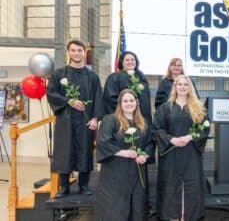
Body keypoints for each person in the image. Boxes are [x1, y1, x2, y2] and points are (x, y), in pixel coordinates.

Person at [46, 39, 104, 198]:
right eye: (73, 50)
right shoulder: (59, 74)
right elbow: (51, 94)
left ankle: (83, 185)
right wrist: (69, 101)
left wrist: (95, 118)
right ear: (68, 52)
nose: (76, 53)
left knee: (85, 151)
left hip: (85, 122)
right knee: (65, 151)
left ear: (84, 53)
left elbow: (98, 97)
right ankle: (64, 187)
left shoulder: (92, 76)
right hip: (66, 120)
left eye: (79, 50)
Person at [153, 75, 209, 221]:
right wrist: (172, 139)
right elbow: (158, 129)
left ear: (190, 88)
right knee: (171, 185)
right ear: (175, 87)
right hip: (171, 153)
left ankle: (188, 216)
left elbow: (204, 129)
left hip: (190, 152)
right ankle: (172, 216)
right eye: (180, 84)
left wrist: (190, 137)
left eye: (186, 84)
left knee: (192, 185)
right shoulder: (166, 107)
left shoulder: (198, 108)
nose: (183, 87)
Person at [95, 89, 153, 221]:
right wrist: (123, 152)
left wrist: (145, 155)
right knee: (116, 207)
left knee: (138, 204)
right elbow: (103, 141)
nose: (128, 103)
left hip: (137, 171)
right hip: (116, 171)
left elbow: (149, 143)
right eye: (125, 101)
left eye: (131, 100)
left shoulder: (143, 123)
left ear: (137, 102)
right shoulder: (110, 120)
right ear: (120, 103)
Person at [103, 51, 152, 125]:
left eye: (132, 60)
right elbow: (110, 99)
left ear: (136, 62)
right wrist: (127, 111)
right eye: (127, 60)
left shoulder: (142, 78)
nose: (130, 62)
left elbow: (146, 102)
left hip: (141, 120)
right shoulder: (114, 77)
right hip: (122, 120)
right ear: (122, 63)